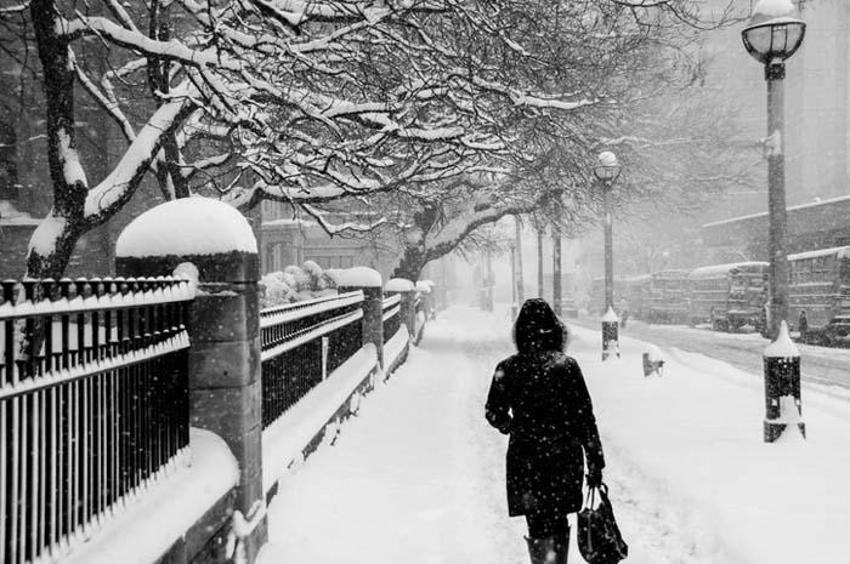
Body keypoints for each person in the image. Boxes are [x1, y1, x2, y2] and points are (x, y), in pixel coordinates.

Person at [485, 298, 606, 564]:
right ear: (555, 329)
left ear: (520, 331)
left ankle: (543, 560)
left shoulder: (508, 368)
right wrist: (595, 461)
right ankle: (557, 559)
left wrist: (512, 426)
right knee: (558, 518)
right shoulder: (567, 367)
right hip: (563, 457)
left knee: (536, 521)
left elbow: (493, 412)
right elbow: (585, 418)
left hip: (526, 459)